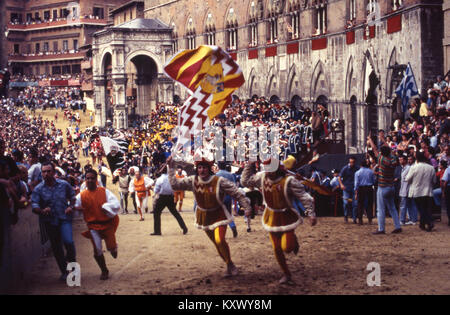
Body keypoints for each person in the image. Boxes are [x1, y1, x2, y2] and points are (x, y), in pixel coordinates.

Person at [167, 155, 251, 277]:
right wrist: (170, 167)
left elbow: (236, 192)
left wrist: (246, 206)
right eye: (200, 167)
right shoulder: (193, 180)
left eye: (205, 168)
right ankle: (229, 264)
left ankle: (230, 265)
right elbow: (175, 185)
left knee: (219, 239)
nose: (202, 170)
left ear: (209, 168)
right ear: (197, 169)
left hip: (219, 214)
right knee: (216, 243)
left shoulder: (219, 181)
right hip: (204, 216)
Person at [241, 158, 317, 285]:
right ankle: (286, 273)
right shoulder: (262, 177)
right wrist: (249, 165)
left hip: (287, 216)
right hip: (271, 216)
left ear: (278, 169)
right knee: (276, 248)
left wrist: (311, 213)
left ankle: (293, 239)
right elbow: (244, 181)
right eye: (267, 169)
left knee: (287, 247)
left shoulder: (289, 181)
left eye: (271, 169)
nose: (269, 172)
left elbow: (304, 197)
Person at [31, 161, 76, 281]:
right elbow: (34, 205)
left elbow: (72, 197)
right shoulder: (38, 189)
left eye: (48, 171)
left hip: (64, 219)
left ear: (54, 172)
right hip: (50, 221)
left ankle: (74, 271)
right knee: (57, 248)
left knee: (69, 242)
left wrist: (70, 207)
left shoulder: (64, 184)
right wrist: (41, 210)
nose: (46, 174)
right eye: (44, 172)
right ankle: (65, 272)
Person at [74, 168, 120, 280]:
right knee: (97, 249)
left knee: (111, 248)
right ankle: (104, 270)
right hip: (93, 226)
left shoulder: (104, 191)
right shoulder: (82, 195)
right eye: (87, 178)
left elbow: (115, 204)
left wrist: (107, 207)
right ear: (85, 180)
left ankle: (114, 248)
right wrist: (75, 208)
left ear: (96, 179)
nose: (89, 180)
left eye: (92, 178)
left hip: (107, 224)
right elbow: (74, 206)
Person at [367, 136, 402, 235]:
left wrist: (370, 139)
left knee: (380, 209)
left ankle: (381, 228)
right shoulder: (393, 159)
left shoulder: (382, 159)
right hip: (391, 186)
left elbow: (374, 149)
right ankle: (397, 226)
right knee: (392, 208)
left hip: (383, 187)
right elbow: (388, 150)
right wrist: (382, 140)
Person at [151, 166, 188, 236]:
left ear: (161, 171)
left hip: (162, 197)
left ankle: (157, 231)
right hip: (170, 197)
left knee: (156, 213)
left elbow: (156, 190)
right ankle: (184, 228)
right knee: (175, 213)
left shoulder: (159, 179)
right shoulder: (172, 178)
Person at [405, 151, 436, 231]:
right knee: (426, 208)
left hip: (417, 191)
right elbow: (434, 181)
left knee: (421, 209)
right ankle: (424, 223)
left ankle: (428, 222)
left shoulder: (414, 167)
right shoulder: (431, 168)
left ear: (417, 159)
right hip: (428, 191)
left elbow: (407, 179)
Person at [354, 159, 375, 225]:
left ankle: (360, 220)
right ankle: (370, 219)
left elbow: (356, 183)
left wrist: (356, 192)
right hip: (369, 188)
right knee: (369, 203)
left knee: (360, 204)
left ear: (360, 165)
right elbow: (374, 181)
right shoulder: (371, 172)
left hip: (361, 188)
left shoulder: (357, 172)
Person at [398, 155, 418, 226]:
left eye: (401, 160)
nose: (400, 161)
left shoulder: (409, 168)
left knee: (404, 206)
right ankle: (412, 219)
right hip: (404, 189)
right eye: (399, 160)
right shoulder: (403, 168)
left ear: (405, 160)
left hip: (407, 189)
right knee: (409, 205)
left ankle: (402, 220)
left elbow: (408, 179)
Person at [338, 156, 359, 223]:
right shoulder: (345, 168)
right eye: (350, 162)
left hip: (354, 188)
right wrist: (341, 184)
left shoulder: (357, 168)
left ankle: (354, 218)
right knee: (346, 203)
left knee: (355, 204)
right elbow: (339, 177)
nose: (351, 163)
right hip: (346, 188)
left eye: (352, 162)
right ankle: (346, 216)